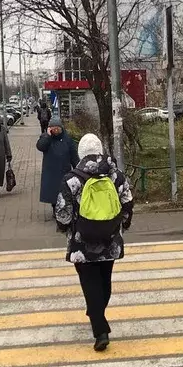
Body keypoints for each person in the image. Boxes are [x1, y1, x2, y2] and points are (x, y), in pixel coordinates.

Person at [54, 133, 133, 352]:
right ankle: (96, 312)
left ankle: (100, 330)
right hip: (110, 240)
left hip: (82, 243)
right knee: (104, 281)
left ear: (81, 153)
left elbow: (62, 213)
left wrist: (65, 228)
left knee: (90, 285)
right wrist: (122, 225)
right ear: (100, 151)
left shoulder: (71, 179)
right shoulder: (116, 176)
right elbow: (127, 202)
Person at [37, 117, 78, 215]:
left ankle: (63, 209)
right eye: (53, 129)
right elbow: (40, 146)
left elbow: (74, 156)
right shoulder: (46, 138)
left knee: (64, 192)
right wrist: (47, 135)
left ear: (61, 128)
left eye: (57, 129)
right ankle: (55, 209)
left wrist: (77, 169)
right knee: (53, 193)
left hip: (64, 171)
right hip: (50, 171)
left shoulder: (67, 139)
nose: (55, 131)